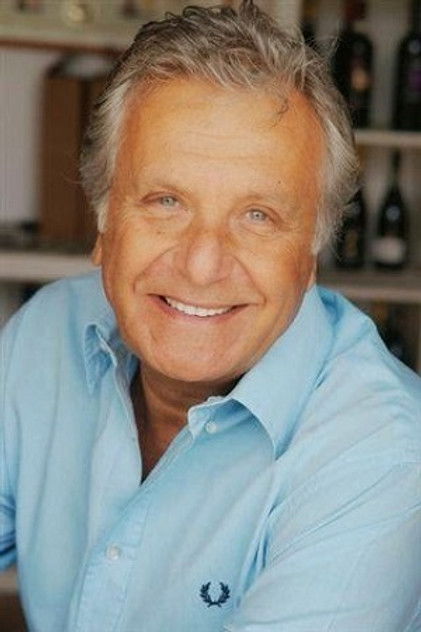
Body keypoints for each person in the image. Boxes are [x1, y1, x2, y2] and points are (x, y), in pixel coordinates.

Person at [1, 2, 420, 631]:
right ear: (104, 221)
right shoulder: (47, 332)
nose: (202, 265)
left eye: (258, 216)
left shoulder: (382, 457)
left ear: (310, 255)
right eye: (166, 201)